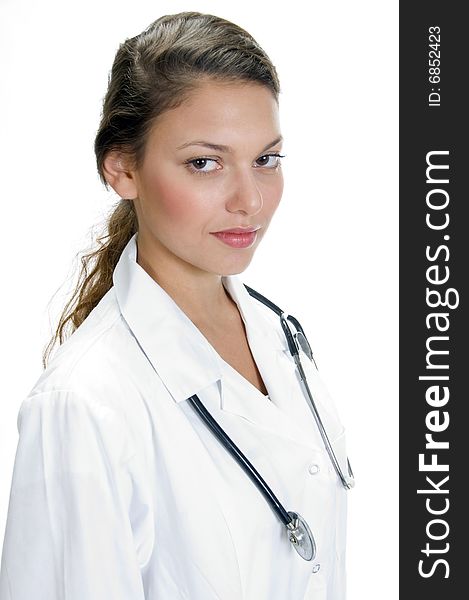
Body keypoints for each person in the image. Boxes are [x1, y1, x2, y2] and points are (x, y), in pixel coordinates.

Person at [0, 11, 351, 600]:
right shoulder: (86, 404)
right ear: (123, 168)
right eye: (204, 163)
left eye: (266, 158)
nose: (250, 199)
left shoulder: (279, 336)